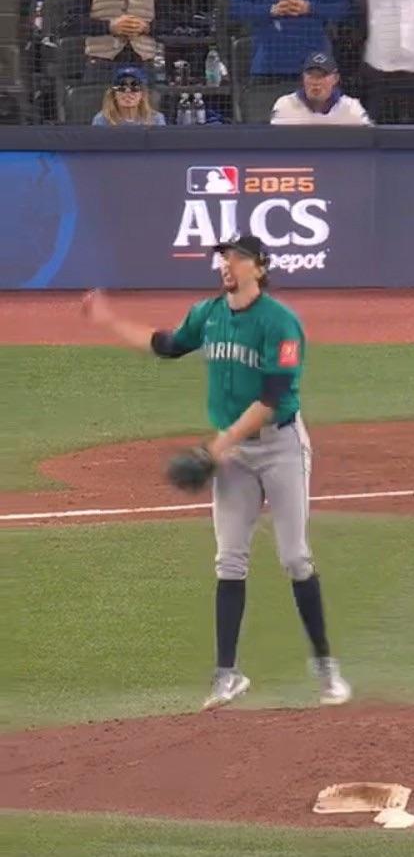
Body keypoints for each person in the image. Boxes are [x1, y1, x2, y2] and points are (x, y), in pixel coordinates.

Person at [80, 236, 352, 711]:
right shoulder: (207, 315)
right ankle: (227, 675)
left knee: (295, 557)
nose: (226, 264)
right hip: (233, 453)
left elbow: (271, 399)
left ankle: (326, 667)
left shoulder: (281, 324)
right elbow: (166, 345)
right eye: (224, 258)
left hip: (281, 447)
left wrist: (217, 447)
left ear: (259, 268)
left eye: (236, 258)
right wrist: (108, 320)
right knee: (229, 561)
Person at [229, 0, 350, 80]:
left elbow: (343, 9)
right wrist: (272, 10)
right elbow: (236, 7)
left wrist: (309, 8)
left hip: (316, 64)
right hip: (269, 64)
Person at [66, 0, 177, 81]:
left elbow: (169, 22)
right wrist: (109, 26)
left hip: (144, 63)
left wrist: (147, 27)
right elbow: (73, 22)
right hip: (101, 64)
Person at [270, 52, 372, 125]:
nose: (316, 82)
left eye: (322, 76)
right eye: (311, 76)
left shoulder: (352, 108)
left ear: (335, 79)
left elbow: (369, 141)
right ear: (303, 77)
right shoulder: (285, 105)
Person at [91, 65, 166, 126]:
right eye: (122, 87)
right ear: (114, 93)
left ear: (142, 94)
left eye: (135, 87)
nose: (128, 91)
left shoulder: (156, 119)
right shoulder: (101, 120)